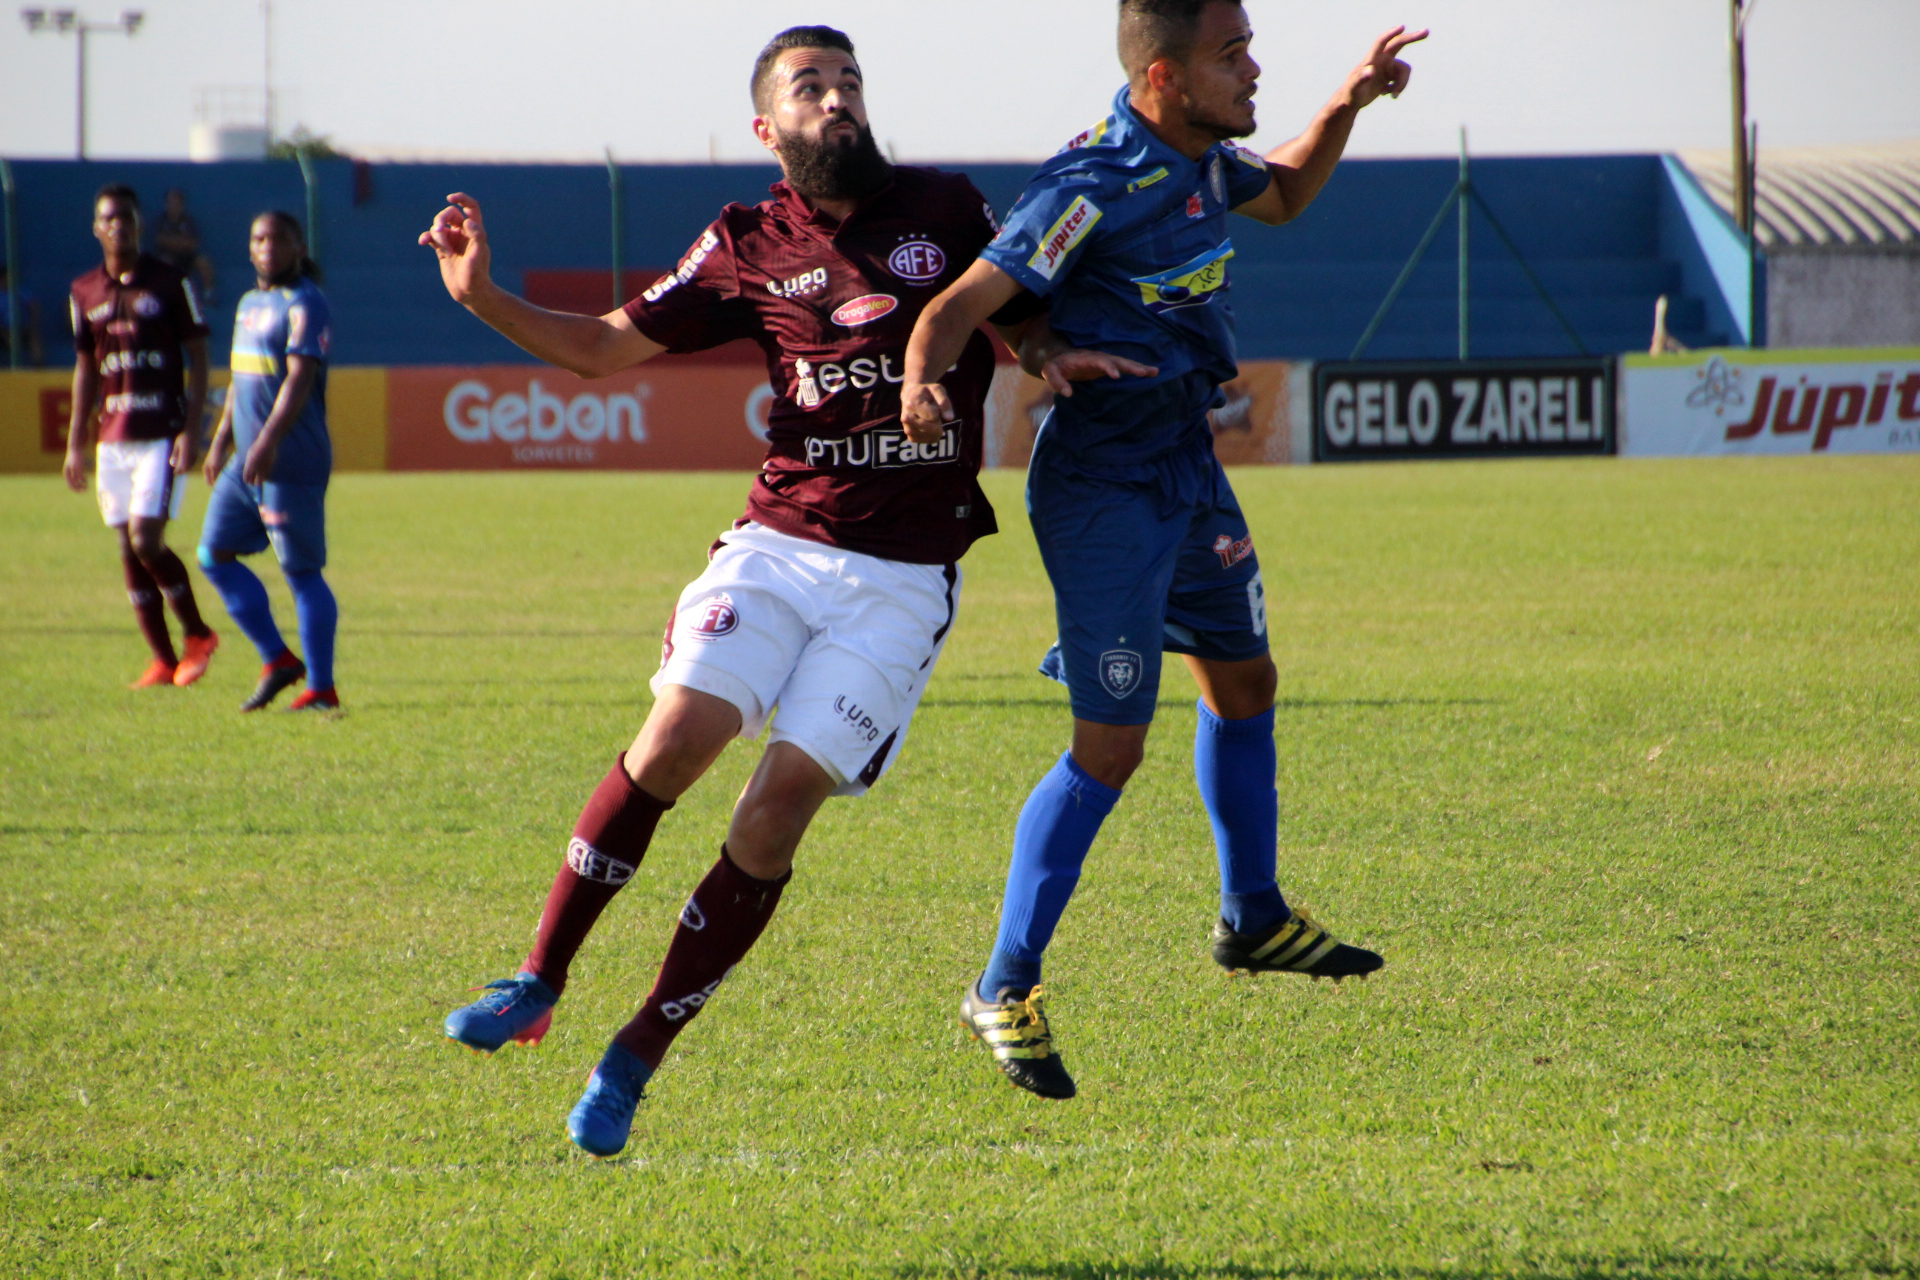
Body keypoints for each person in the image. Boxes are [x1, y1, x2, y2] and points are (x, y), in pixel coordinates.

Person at [424, 25, 1045, 1158]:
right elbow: (606, 348)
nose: (839, 100)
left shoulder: (949, 207)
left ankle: (636, 1051)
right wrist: (481, 296)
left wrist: (1068, 358)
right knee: (673, 740)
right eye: (811, 88)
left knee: (769, 816)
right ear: (769, 129)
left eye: (849, 81)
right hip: (779, 542)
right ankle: (536, 977)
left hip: (902, 583)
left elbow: (1027, 312)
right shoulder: (746, 242)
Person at [900, 0, 1425, 1099]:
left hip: (1186, 466)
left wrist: (1346, 100)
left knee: (1244, 679)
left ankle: (1255, 916)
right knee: (1110, 748)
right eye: (1231, 53)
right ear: (1162, 79)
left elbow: (1281, 192)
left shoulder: (1202, 162)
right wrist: (918, 386)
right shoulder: (1090, 184)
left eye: (1250, 47)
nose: (1253, 67)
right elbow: (961, 304)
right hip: (1103, 490)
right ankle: (1002, 983)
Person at [65, 183, 219, 689]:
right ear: (96, 228)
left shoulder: (170, 282)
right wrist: (75, 444)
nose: (119, 227)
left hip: (161, 432)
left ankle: (198, 633)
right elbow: (86, 368)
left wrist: (192, 429)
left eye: (127, 218)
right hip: (113, 438)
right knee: (128, 549)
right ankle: (163, 659)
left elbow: (198, 357)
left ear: (138, 225)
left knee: (146, 539)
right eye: (110, 219)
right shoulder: (84, 291)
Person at [198, 212, 340, 713]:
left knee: (301, 573)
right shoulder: (249, 303)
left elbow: (298, 380)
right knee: (213, 554)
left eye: (279, 238)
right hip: (248, 459)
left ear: (299, 246)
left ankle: (321, 688)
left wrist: (264, 443)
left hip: (289, 459)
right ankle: (278, 659)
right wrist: (221, 440)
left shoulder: (306, 302)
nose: (267, 246)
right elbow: (240, 378)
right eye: (259, 237)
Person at [154, 188, 219, 306]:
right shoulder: (161, 221)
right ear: (166, 204)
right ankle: (165, 297)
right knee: (164, 263)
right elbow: (160, 240)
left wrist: (174, 242)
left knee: (203, 262)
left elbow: (193, 243)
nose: (174, 206)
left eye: (177, 203)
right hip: (169, 258)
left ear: (182, 205)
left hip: (187, 257)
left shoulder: (188, 221)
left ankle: (209, 294)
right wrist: (181, 242)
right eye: (171, 202)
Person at [0, 262, 47, 367]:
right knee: (6, 334)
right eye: (7, 277)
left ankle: (39, 365)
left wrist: (32, 324)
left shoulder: (20, 292)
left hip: (22, 328)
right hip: (3, 329)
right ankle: (14, 365)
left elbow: (34, 306)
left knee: (34, 336)